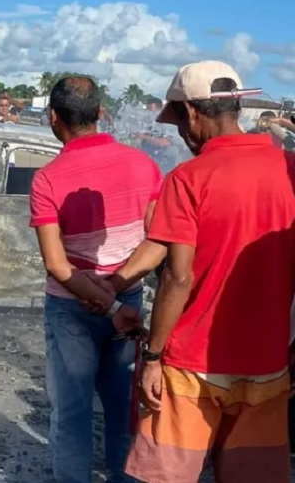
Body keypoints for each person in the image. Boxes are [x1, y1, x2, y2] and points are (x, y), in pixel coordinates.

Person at [113, 61, 295, 483]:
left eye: (178, 122)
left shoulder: (187, 178)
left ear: (191, 113)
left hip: (190, 368)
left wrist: (154, 357)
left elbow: (178, 278)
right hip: (267, 365)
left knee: (166, 477)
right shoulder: (290, 169)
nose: (180, 134)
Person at [30, 75, 161, 482]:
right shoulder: (145, 165)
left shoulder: (47, 178)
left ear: (54, 118)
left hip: (72, 308)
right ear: (101, 114)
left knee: (72, 415)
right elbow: (159, 240)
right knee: (122, 412)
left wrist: (106, 299)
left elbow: (57, 264)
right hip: (129, 305)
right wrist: (118, 291)